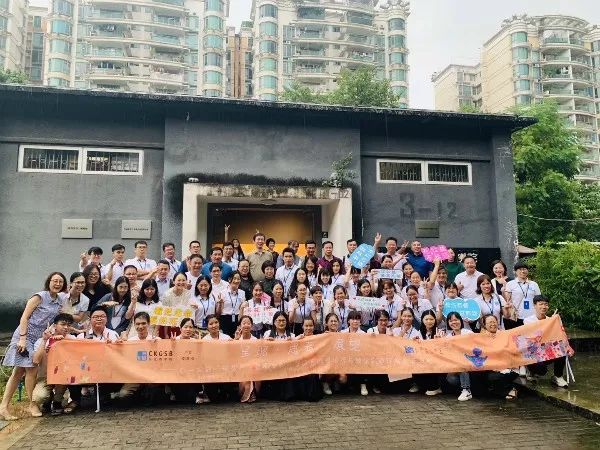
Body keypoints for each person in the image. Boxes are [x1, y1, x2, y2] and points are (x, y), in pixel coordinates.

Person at [0, 272, 67, 420]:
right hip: (25, 336)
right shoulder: (39, 297)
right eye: (55, 281)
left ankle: (3, 407)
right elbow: (24, 317)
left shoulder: (59, 301)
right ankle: (31, 404)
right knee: (31, 368)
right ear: (49, 282)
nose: (57, 284)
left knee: (18, 372)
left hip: (39, 338)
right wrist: (22, 339)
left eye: (60, 282)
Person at [523, 295, 573, 388]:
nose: (544, 307)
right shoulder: (527, 320)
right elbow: (533, 337)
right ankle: (530, 371)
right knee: (541, 370)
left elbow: (558, 335)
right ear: (534, 305)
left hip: (547, 350)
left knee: (561, 348)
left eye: (546, 304)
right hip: (534, 352)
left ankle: (558, 376)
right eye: (541, 304)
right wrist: (549, 323)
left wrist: (555, 323)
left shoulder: (551, 320)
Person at [31, 313, 75, 416]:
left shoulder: (72, 339)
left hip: (63, 376)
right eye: (63, 324)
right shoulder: (42, 340)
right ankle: (48, 398)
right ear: (55, 325)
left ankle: (57, 402)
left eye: (68, 325)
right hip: (45, 377)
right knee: (39, 397)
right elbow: (36, 360)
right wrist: (46, 341)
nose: (66, 327)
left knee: (63, 379)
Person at [474, 315, 519, 400]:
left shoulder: (505, 335)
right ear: (485, 325)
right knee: (476, 374)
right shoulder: (481, 338)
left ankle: (511, 389)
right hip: (489, 367)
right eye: (490, 322)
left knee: (493, 377)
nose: (493, 324)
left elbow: (512, 352)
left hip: (507, 367)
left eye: (494, 322)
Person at [503, 260, 541, 328]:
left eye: (524, 269)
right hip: (517, 316)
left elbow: (539, 300)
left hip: (532, 316)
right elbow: (507, 300)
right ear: (515, 271)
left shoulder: (534, 284)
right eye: (520, 269)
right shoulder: (510, 284)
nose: (523, 271)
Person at [445, 311, 473, 401]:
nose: (454, 322)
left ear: (460, 320)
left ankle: (466, 390)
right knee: (450, 378)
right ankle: (464, 388)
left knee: (462, 364)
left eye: (456, 320)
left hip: (471, 362)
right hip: (456, 365)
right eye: (451, 321)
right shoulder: (448, 337)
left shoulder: (468, 333)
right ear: (448, 323)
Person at [413, 310, 443, 396]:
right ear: (422, 320)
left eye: (431, 319)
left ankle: (435, 387)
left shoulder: (440, 332)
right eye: (426, 319)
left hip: (436, 360)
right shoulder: (418, 333)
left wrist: (439, 341)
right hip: (423, 360)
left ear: (435, 320)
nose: (429, 321)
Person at [233, 316, 260, 403]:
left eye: (248, 323)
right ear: (240, 326)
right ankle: (249, 393)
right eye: (244, 323)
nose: (246, 325)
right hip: (239, 366)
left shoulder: (255, 340)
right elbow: (232, 355)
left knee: (253, 370)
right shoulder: (237, 340)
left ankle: (250, 393)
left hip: (252, 366)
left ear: (252, 326)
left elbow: (257, 357)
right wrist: (235, 340)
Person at [341, 311, 368, 395]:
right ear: (348, 321)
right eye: (353, 319)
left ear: (360, 321)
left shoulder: (364, 334)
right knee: (343, 382)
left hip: (359, 360)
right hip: (346, 360)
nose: (355, 321)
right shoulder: (342, 333)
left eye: (357, 319)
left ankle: (363, 384)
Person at [320, 313, 347, 395]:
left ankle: (334, 382)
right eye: (331, 321)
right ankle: (325, 382)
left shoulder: (342, 336)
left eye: (335, 321)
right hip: (327, 364)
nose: (333, 323)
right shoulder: (322, 336)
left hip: (340, 363)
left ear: (338, 323)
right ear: (326, 323)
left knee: (342, 382)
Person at [217, 271, 246, 337]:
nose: (236, 281)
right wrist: (220, 303)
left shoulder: (242, 293)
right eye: (234, 278)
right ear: (229, 279)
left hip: (237, 318)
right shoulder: (223, 293)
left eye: (238, 279)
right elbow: (219, 312)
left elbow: (242, 309)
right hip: (225, 319)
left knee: (236, 339)